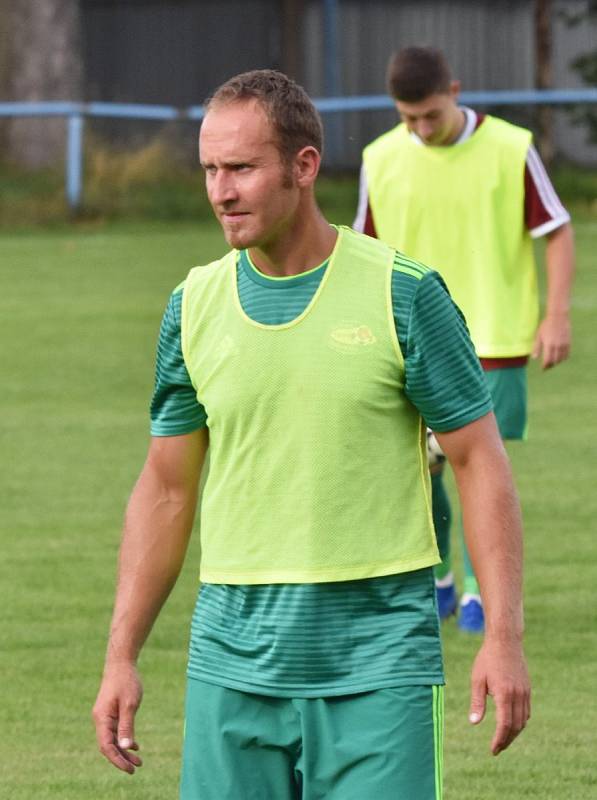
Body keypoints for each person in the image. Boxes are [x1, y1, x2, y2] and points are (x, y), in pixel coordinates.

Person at [92, 69, 530, 799]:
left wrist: (503, 638)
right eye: (209, 169)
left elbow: (479, 462)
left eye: (241, 168)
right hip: (232, 659)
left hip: (376, 658)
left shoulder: (404, 294)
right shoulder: (191, 306)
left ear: (303, 166)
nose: (220, 192)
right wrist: (120, 656)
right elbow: (167, 490)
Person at [354, 46, 575, 633]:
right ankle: (441, 581)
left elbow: (556, 230)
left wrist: (555, 315)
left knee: (480, 469)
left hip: (494, 340)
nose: (421, 129)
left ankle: (480, 594)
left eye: (430, 114)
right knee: (417, 471)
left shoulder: (510, 147)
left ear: (454, 91)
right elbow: (362, 254)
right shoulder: (379, 159)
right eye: (408, 119)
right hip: (410, 344)